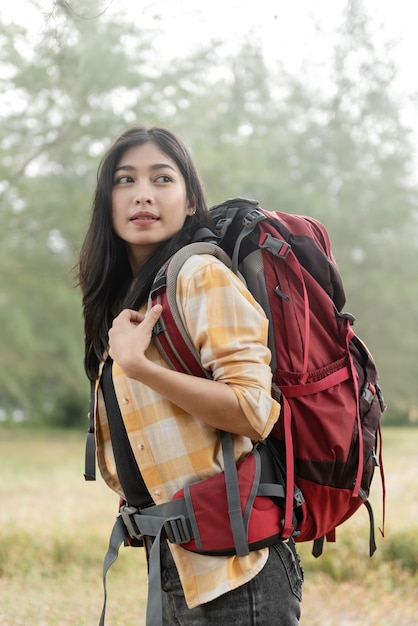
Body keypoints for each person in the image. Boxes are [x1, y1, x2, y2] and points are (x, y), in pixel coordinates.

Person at [77, 124, 303, 625]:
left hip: (239, 570)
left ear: (191, 199)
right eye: (124, 180)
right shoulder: (130, 299)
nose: (142, 194)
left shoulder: (200, 276)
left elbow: (253, 409)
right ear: (106, 201)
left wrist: (138, 367)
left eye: (162, 179)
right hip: (175, 564)